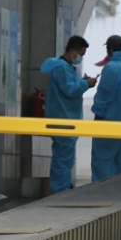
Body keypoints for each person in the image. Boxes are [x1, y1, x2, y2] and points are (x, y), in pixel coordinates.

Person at [40, 36, 97, 194]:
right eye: (81, 54)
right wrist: (86, 83)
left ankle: (61, 187)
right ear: (73, 51)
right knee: (62, 159)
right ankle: (59, 191)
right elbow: (70, 90)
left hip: (65, 118)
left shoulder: (63, 67)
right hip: (64, 120)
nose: (81, 58)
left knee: (64, 158)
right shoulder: (62, 68)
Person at [90, 35, 121, 181]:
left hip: (111, 121)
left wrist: (97, 118)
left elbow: (104, 96)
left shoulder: (111, 67)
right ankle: (119, 192)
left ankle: (101, 193)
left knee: (102, 159)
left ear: (109, 49)